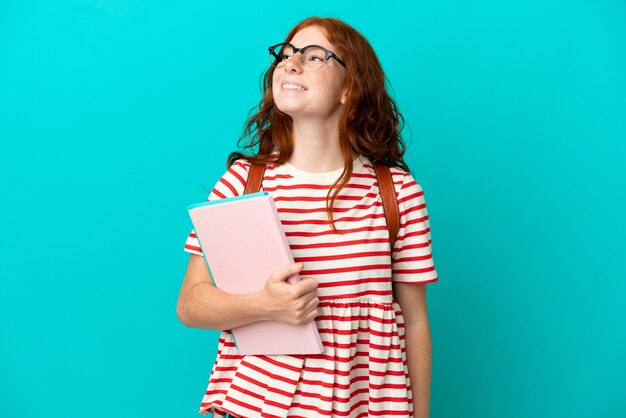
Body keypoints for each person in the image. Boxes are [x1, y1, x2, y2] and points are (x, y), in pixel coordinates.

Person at [177, 16, 439, 418]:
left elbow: (416, 321)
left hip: (364, 405)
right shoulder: (243, 182)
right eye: (285, 55)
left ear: (349, 88)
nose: (290, 63)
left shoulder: (397, 193)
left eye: (314, 55)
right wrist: (264, 306)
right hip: (260, 404)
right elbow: (191, 304)